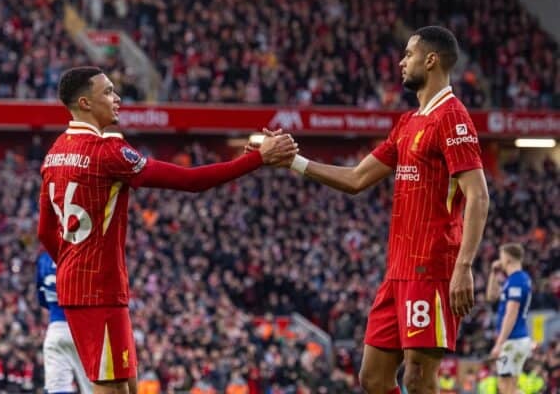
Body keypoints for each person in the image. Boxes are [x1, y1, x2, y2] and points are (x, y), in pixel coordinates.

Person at [252, 26, 489, 394]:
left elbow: (478, 196)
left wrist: (464, 266)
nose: (401, 61)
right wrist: (294, 162)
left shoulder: (453, 118)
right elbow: (357, 178)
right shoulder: (408, 123)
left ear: (431, 60)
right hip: (397, 271)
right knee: (374, 378)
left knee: (418, 378)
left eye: (408, 54)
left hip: (432, 268)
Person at [37, 66, 296, 394]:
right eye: (108, 92)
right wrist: (257, 159)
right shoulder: (108, 153)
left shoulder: (55, 153)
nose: (117, 98)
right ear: (85, 103)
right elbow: (191, 181)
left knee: (128, 387)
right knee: (112, 390)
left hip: (85, 287)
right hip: (98, 291)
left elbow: (45, 232)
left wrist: (74, 263)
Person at [36, 251, 92, 394]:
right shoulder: (85, 254)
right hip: (85, 330)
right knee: (93, 389)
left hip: (56, 329)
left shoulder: (44, 259)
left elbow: (42, 299)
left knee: (58, 388)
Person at [486, 243, 533, 393]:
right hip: (518, 340)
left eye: (501, 257)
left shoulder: (516, 281)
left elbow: (511, 313)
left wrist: (499, 343)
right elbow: (491, 296)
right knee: (510, 385)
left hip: (512, 340)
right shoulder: (519, 279)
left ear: (507, 260)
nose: (499, 261)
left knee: (505, 386)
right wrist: (493, 273)